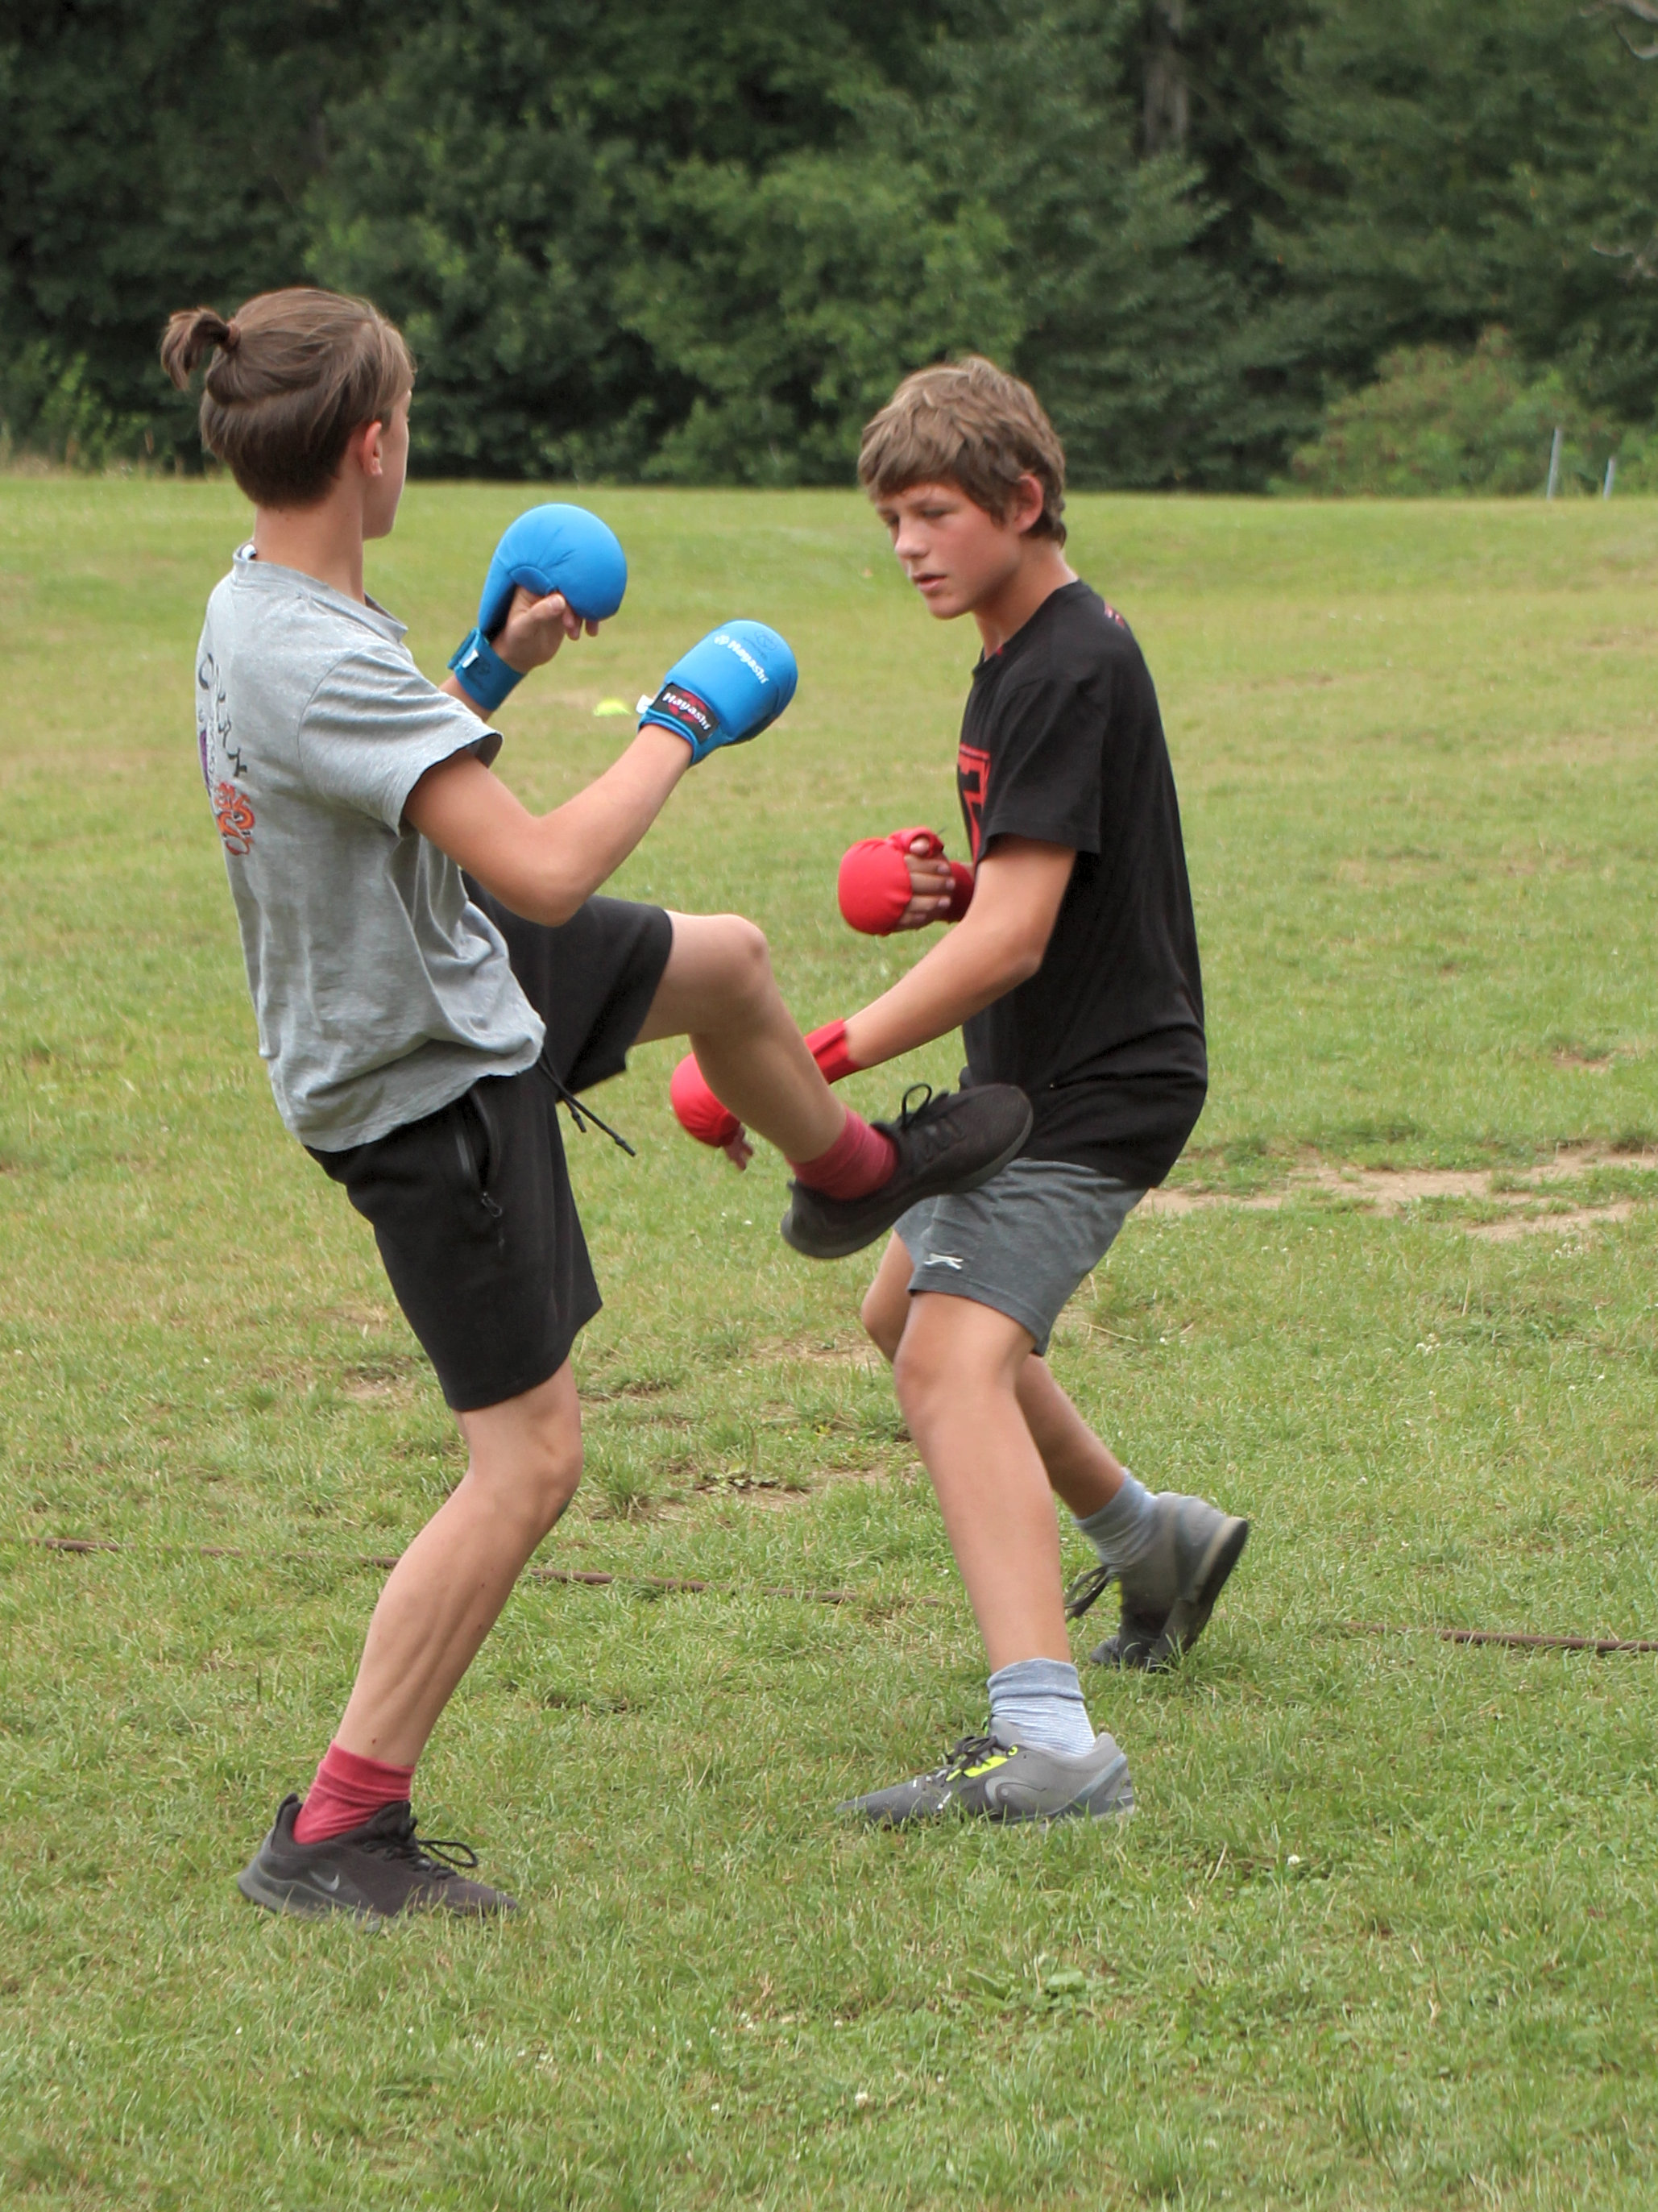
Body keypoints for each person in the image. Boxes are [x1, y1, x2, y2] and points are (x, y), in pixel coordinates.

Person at [162, 289, 1030, 1918]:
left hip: (441, 963)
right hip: (425, 1072)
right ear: (374, 443)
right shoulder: (312, 649)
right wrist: (680, 719)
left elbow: (374, 781)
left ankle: (848, 1170)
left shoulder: (256, 598)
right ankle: (338, 1824)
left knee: (726, 961)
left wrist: (490, 663)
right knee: (528, 1460)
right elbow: (549, 863)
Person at [716, 357, 1246, 1824]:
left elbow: (1015, 942)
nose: (907, 545)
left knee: (945, 1362)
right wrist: (961, 888)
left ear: (1022, 498)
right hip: (1038, 1068)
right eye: (891, 518)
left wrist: (809, 1054)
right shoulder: (1022, 653)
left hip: (1095, 1082)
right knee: (904, 1313)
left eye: (933, 512)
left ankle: (1050, 1742)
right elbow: (1029, 897)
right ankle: (1151, 1544)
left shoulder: (1065, 664)